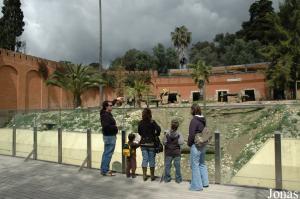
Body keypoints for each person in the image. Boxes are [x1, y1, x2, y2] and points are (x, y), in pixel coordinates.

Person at [188, 104, 209, 191]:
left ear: (193, 110)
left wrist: (189, 143)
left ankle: (197, 186)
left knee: (195, 165)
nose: (190, 111)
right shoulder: (203, 120)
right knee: (202, 163)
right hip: (203, 144)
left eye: (191, 110)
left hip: (196, 145)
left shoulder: (194, 121)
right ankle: (205, 183)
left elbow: (192, 134)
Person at [138, 108, 161, 181]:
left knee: (145, 159)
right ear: (150, 114)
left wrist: (144, 135)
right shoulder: (152, 122)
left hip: (143, 143)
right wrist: (155, 134)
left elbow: (139, 132)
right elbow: (158, 129)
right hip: (151, 143)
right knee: (151, 160)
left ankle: (144, 175)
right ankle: (152, 175)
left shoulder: (141, 122)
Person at [100, 101, 118, 176]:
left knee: (106, 153)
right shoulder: (105, 115)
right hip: (109, 136)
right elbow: (106, 126)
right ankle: (105, 170)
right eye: (110, 105)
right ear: (106, 107)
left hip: (108, 136)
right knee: (108, 154)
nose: (112, 106)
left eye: (112, 105)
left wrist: (116, 100)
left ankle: (104, 169)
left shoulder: (105, 113)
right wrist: (116, 127)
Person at [163, 119, 184, 183]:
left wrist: (165, 135)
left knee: (167, 166)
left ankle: (167, 179)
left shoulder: (167, 133)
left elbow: (164, 142)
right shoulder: (179, 133)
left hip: (168, 152)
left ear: (171, 125)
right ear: (177, 126)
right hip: (176, 152)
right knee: (177, 166)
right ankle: (178, 179)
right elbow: (181, 142)